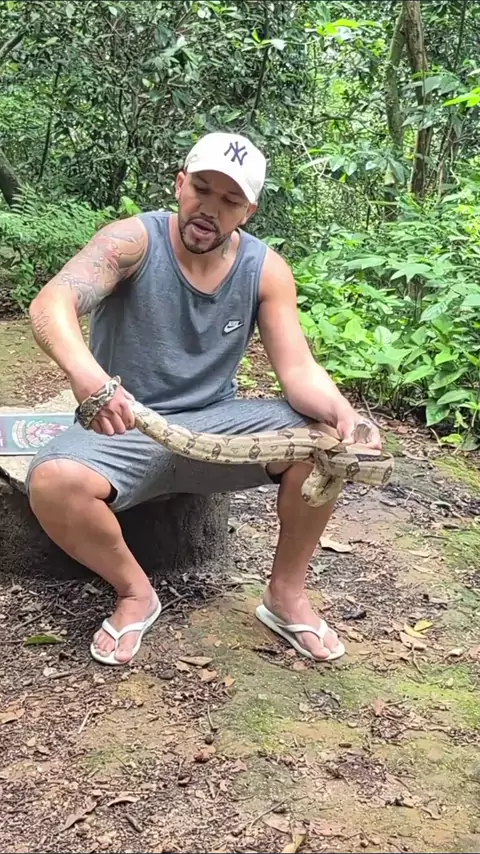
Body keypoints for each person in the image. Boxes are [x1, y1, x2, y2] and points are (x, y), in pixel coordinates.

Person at [26, 131, 381, 666]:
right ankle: (135, 592)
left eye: (230, 200)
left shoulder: (266, 269)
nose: (209, 209)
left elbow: (299, 369)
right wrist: (87, 376)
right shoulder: (132, 241)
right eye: (201, 189)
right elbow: (52, 302)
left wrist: (346, 418)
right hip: (125, 422)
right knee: (53, 482)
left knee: (325, 441)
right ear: (180, 184)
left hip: (217, 427)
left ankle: (285, 595)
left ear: (248, 211)